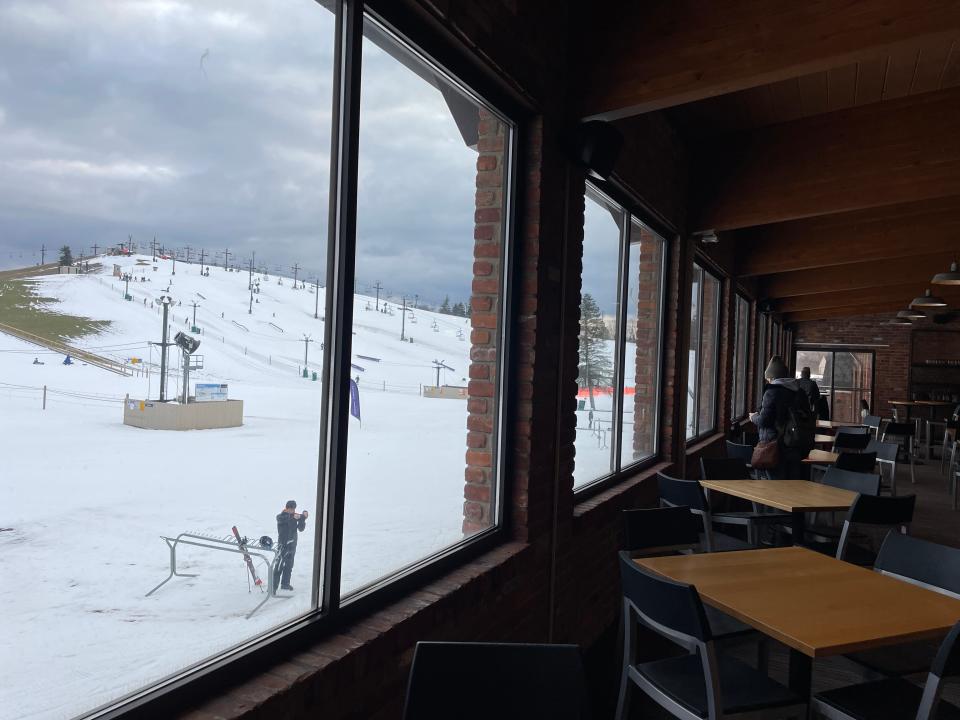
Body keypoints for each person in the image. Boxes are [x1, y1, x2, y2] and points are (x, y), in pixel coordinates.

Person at [750, 356, 814, 479]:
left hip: (775, 444)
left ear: (773, 377)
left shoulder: (772, 392)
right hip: (796, 442)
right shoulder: (799, 391)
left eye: (768, 378)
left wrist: (754, 417)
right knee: (793, 483)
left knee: (776, 485)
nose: (768, 381)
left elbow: (765, 420)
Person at [274, 500, 308, 593]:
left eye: (293, 509)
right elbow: (283, 519)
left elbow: (301, 529)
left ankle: (285, 584)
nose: (292, 510)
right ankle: (273, 587)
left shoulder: (295, 515)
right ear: (287, 508)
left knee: (289, 565)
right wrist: (292, 516)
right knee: (279, 566)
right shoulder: (281, 516)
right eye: (291, 509)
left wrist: (303, 518)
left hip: (292, 545)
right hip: (283, 545)